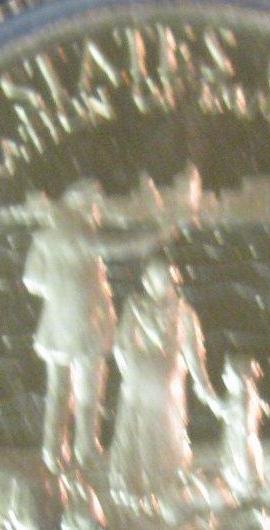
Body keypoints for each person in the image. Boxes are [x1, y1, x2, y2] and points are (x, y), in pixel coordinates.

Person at [23, 179, 165, 471]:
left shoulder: (45, 238)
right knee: (88, 389)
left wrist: (57, 288)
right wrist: (157, 234)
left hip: (56, 323)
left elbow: (32, 280)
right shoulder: (81, 235)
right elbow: (120, 247)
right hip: (87, 321)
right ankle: (85, 447)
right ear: (83, 206)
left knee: (58, 388)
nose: (98, 213)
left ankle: (52, 448)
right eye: (95, 206)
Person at [109, 258, 220, 500]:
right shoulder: (177, 311)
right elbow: (192, 353)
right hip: (156, 377)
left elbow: (122, 346)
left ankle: (147, 480)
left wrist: (131, 371)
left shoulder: (170, 311)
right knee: (158, 427)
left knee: (148, 427)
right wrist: (203, 386)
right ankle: (154, 481)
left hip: (151, 378)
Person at [219, 354, 270, 495]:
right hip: (243, 437)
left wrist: (216, 404)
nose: (224, 377)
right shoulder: (245, 394)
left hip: (241, 439)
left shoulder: (242, 397)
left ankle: (247, 483)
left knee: (243, 459)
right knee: (246, 457)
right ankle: (249, 482)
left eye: (227, 374)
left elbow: (232, 413)